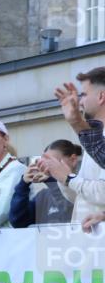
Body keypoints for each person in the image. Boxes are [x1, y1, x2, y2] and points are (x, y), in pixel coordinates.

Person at [41, 71, 105, 224]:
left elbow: (102, 194)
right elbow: (79, 198)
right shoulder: (97, 137)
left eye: (83, 94)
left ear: (101, 96)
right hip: (88, 240)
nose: (80, 101)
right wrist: (62, 176)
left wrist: (68, 177)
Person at [10, 140, 81, 227]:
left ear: (73, 160)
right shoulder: (43, 196)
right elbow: (17, 221)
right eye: (45, 163)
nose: (48, 168)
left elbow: (69, 211)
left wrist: (52, 182)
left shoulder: (84, 190)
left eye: (53, 163)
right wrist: (23, 185)